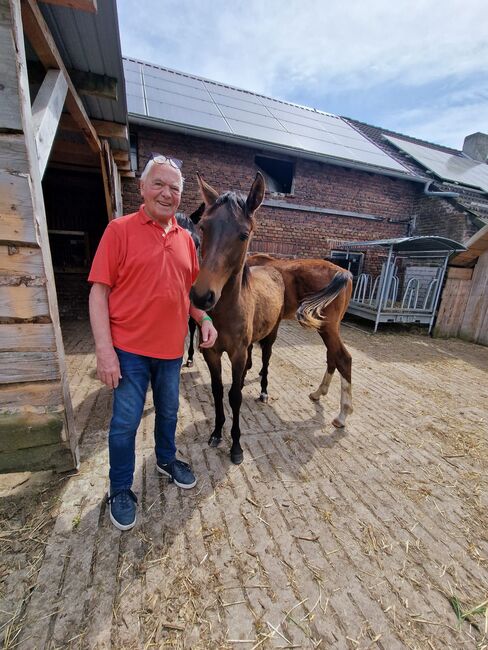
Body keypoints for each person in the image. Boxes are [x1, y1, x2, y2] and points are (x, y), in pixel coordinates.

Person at [88, 155, 218, 531]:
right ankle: (120, 488)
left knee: (170, 414)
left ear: (180, 197)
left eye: (174, 188)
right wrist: (104, 350)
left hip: (171, 352)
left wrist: (204, 319)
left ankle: (165, 458)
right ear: (143, 189)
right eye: (158, 184)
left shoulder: (186, 241)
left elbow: (188, 294)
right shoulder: (119, 230)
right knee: (125, 424)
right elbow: (99, 293)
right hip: (127, 350)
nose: (167, 193)